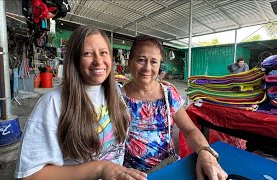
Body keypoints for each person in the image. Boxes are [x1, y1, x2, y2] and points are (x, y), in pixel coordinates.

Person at [14, 25, 147, 180]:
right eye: (88, 54)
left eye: (103, 53)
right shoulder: (53, 103)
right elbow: (30, 175)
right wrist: (99, 169)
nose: (98, 61)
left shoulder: (115, 91)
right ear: (74, 60)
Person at [121, 35, 228, 179]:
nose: (147, 68)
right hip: (129, 174)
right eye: (141, 60)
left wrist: (205, 151)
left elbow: (189, 130)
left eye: (154, 62)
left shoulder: (169, 94)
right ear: (130, 62)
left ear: (159, 66)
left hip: (168, 168)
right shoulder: (117, 96)